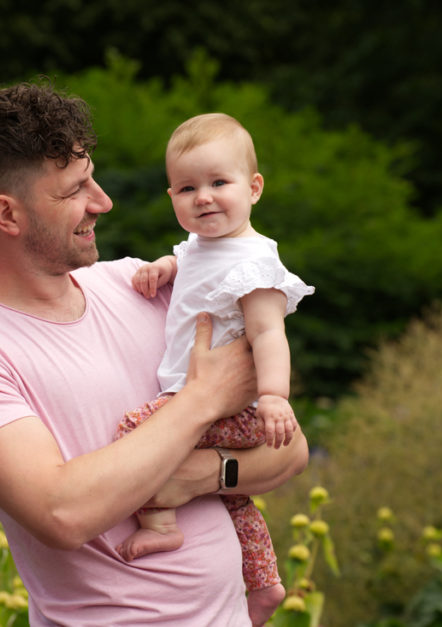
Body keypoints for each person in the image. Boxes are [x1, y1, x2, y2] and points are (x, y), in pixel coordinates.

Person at [0, 82, 309, 626]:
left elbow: (289, 452)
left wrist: (201, 475)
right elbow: (62, 512)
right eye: (75, 190)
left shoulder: (143, 286)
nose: (102, 201)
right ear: (8, 215)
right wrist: (202, 399)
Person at [113, 113, 315, 626]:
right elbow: (191, 263)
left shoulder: (255, 262)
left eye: (218, 183)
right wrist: (165, 267)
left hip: (234, 406)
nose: (202, 197)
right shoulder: (199, 248)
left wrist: (273, 396)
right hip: (201, 399)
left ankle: (160, 524)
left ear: (254, 188)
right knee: (235, 501)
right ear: (172, 197)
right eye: (186, 188)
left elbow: (269, 334)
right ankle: (265, 583)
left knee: (134, 431)